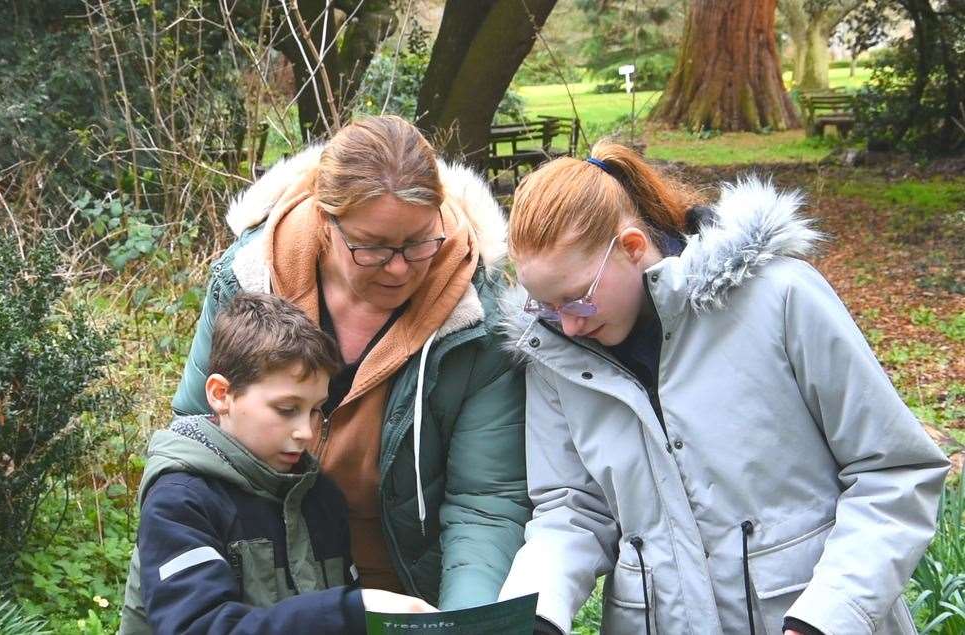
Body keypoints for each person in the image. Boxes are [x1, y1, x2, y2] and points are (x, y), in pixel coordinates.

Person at [497, 144, 950, 635]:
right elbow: (572, 509)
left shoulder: (779, 297)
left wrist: (827, 618)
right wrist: (533, 614)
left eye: (577, 301)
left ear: (631, 247)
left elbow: (893, 472)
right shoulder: (553, 353)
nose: (567, 325)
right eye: (545, 307)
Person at [168, 115, 530, 609]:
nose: (400, 266)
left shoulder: (477, 320)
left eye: (420, 241)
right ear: (325, 220)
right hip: (261, 579)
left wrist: (462, 620)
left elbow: (484, 502)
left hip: (408, 588)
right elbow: (197, 435)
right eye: (374, 247)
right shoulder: (247, 279)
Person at [120, 292, 435, 634]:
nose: (305, 432)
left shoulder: (321, 497)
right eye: (286, 409)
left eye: (317, 410)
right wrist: (350, 611)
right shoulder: (180, 502)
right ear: (220, 394)